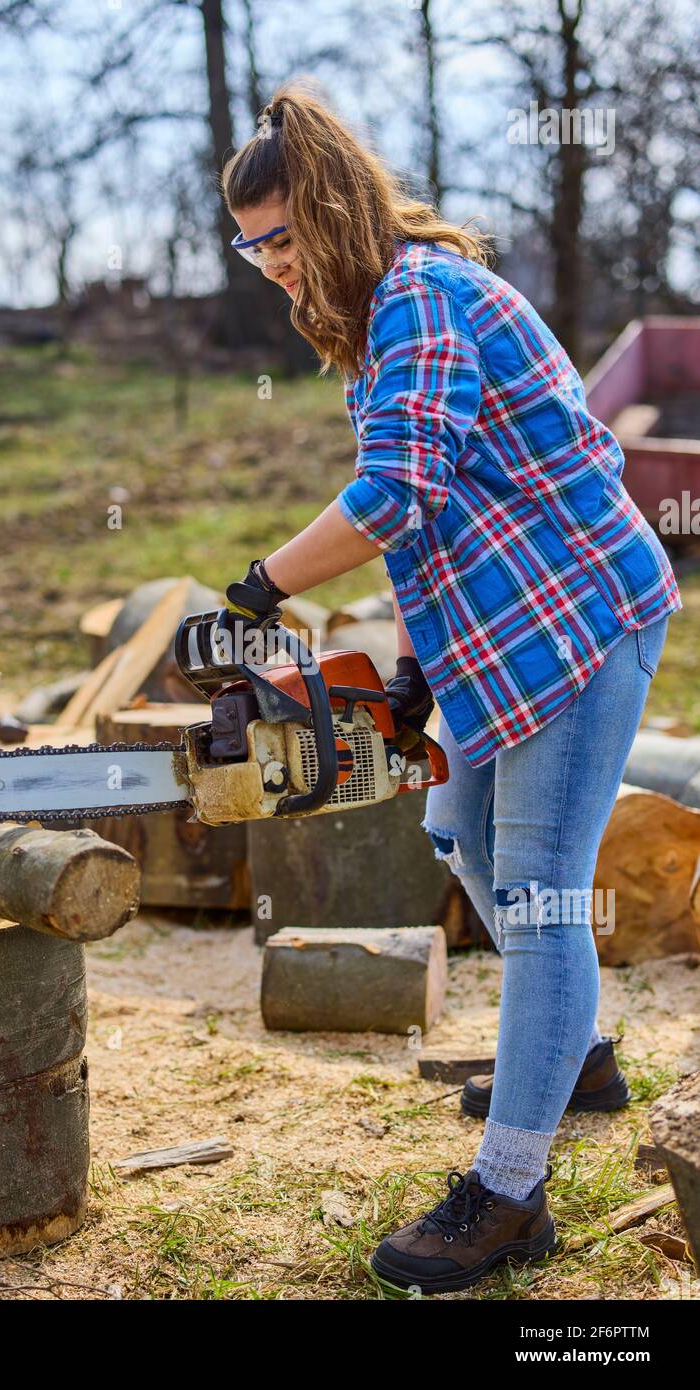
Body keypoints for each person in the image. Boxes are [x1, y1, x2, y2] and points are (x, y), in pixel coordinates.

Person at [220, 80, 682, 1295]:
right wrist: (421, 663)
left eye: (279, 238)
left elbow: (396, 495)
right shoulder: (379, 321)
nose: (267, 265)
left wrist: (259, 586)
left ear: (326, 210)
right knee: (455, 830)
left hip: (583, 618)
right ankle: (576, 1055)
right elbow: (459, 510)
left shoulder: (424, 298)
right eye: (248, 245)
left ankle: (512, 1193)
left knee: (535, 897)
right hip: (501, 626)